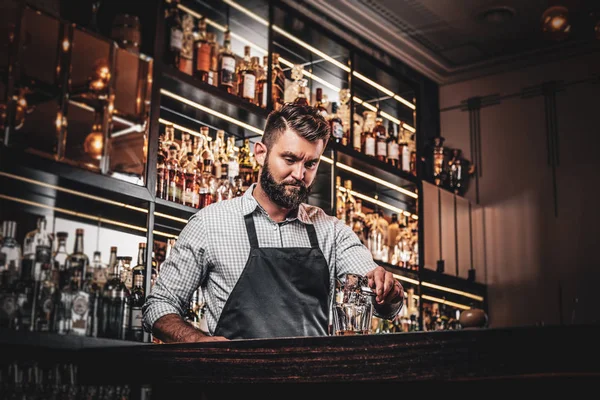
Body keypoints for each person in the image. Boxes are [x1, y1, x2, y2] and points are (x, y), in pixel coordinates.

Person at [142, 103, 404, 342]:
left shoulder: (332, 232)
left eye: (311, 164)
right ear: (260, 153)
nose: (299, 174)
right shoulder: (210, 224)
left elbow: (381, 297)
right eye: (289, 159)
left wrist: (387, 291)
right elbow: (159, 305)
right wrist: (197, 341)